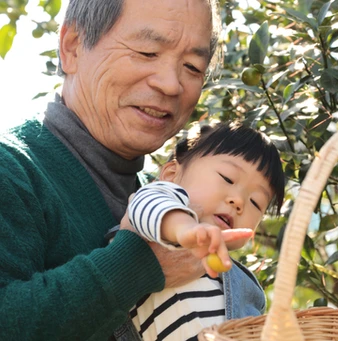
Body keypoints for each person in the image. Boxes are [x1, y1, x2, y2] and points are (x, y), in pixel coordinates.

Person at [0, 0, 253, 340]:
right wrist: (138, 264)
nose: (171, 85)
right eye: (148, 52)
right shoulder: (12, 169)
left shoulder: (164, 203)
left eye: (192, 67)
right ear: (72, 46)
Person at [123, 122, 285, 340]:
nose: (238, 202)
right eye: (227, 178)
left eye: (256, 202)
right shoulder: (158, 217)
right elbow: (146, 203)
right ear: (172, 174)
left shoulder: (245, 286)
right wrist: (183, 228)